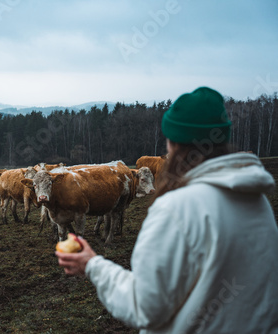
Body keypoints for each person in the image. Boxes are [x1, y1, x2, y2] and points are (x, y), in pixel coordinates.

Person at [56, 87, 278, 333]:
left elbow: (145, 306)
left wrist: (92, 265)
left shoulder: (177, 208)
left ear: (173, 144)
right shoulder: (258, 202)